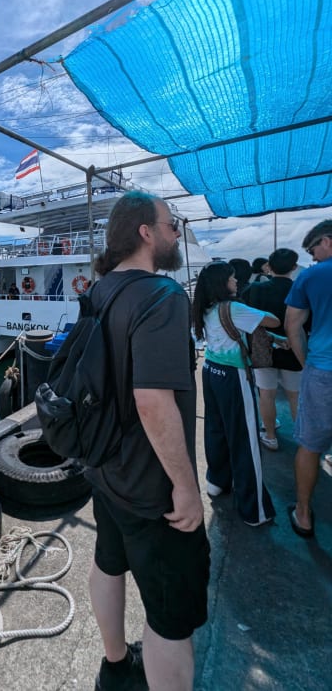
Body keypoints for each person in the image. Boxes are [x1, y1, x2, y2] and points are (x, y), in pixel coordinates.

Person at [86, 191, 209, 691]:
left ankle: (114, 666)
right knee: (171, 620)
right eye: (171, 223)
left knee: (107, 564)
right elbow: (153, 401)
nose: (176, 232)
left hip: (105, 468)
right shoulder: (162, 297)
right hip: (152, 488)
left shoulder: (100, 291)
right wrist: (185, 486)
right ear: (145, 232)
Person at [192, 261, 278, 526]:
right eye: (231, 278)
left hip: (211, 371)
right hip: (234, 376)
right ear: (222, 283)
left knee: (216, 430)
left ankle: (217, 482)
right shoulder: (235, 308)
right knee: (245, 439)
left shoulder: (205, 308)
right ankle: (255, 510)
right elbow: (274, 321)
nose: (235, 281)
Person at [284, 220, 332, 539]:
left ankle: (303, 514)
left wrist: (306, 363)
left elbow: (292, 326)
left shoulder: (311, 276)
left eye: (313, 248)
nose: (312, 255)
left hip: (324, 369)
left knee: (310, 446)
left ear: (326, 241)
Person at [243, 248, 304, 450]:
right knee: (295, 395)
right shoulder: (300, 289)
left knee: (266, 394)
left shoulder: (255, 289)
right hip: (294, 348)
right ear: (294, 267)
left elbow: (248, 319)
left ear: (269, 266)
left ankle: (270, 436)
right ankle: (302, 440)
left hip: (263, 349)